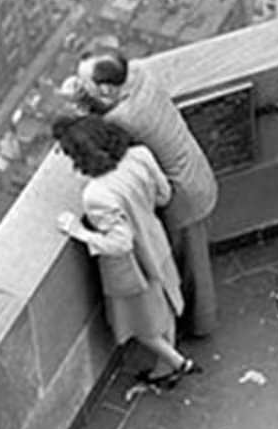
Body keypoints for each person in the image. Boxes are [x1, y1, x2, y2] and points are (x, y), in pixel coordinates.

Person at [62, 50, 220, 339]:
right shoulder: (140, 72)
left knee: (192, 266)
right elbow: (106, 104)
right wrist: (86, 93)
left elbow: (98, 131)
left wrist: (77, 101)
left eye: (85, 82)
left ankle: (201, 325)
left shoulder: (124, 117)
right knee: (194, 258)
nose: (81, 85)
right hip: (194, 170)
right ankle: (194, 318)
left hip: (182, 195)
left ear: (106, 88)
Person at [51, 115, 199, 387]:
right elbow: (163, 195)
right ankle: (164, 369)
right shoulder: (139, 155)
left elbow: (120, 244)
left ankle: (177, 363)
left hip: (134, 266)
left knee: (140, 324)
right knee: (163, 312)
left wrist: (79, 231)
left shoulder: (96, 194)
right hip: (156, 242)